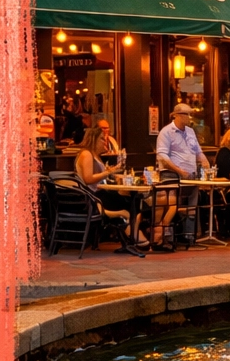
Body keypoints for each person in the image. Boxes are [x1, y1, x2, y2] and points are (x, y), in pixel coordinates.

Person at [73, 126, 146, 255]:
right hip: (94, 197)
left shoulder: (96, 156)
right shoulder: (86, 154)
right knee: (129, 202)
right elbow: (88, 179)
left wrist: (114, 172)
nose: (104, 142)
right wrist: (108, 172)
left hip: (100, 193)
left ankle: (132, 238)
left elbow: (101, 177)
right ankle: (134, 238)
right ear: (93, 139)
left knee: (135, 201)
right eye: (102, 139)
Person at [155, 102, 209, 178]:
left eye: (191, 115)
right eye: (187, 114)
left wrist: (206, 164)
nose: (190, 117)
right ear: (177, 115)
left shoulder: (191, 131)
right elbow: (162, 157)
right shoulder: (166, 132)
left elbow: (198, 152)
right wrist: (179, 171)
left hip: (191, 176)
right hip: (172, 176)